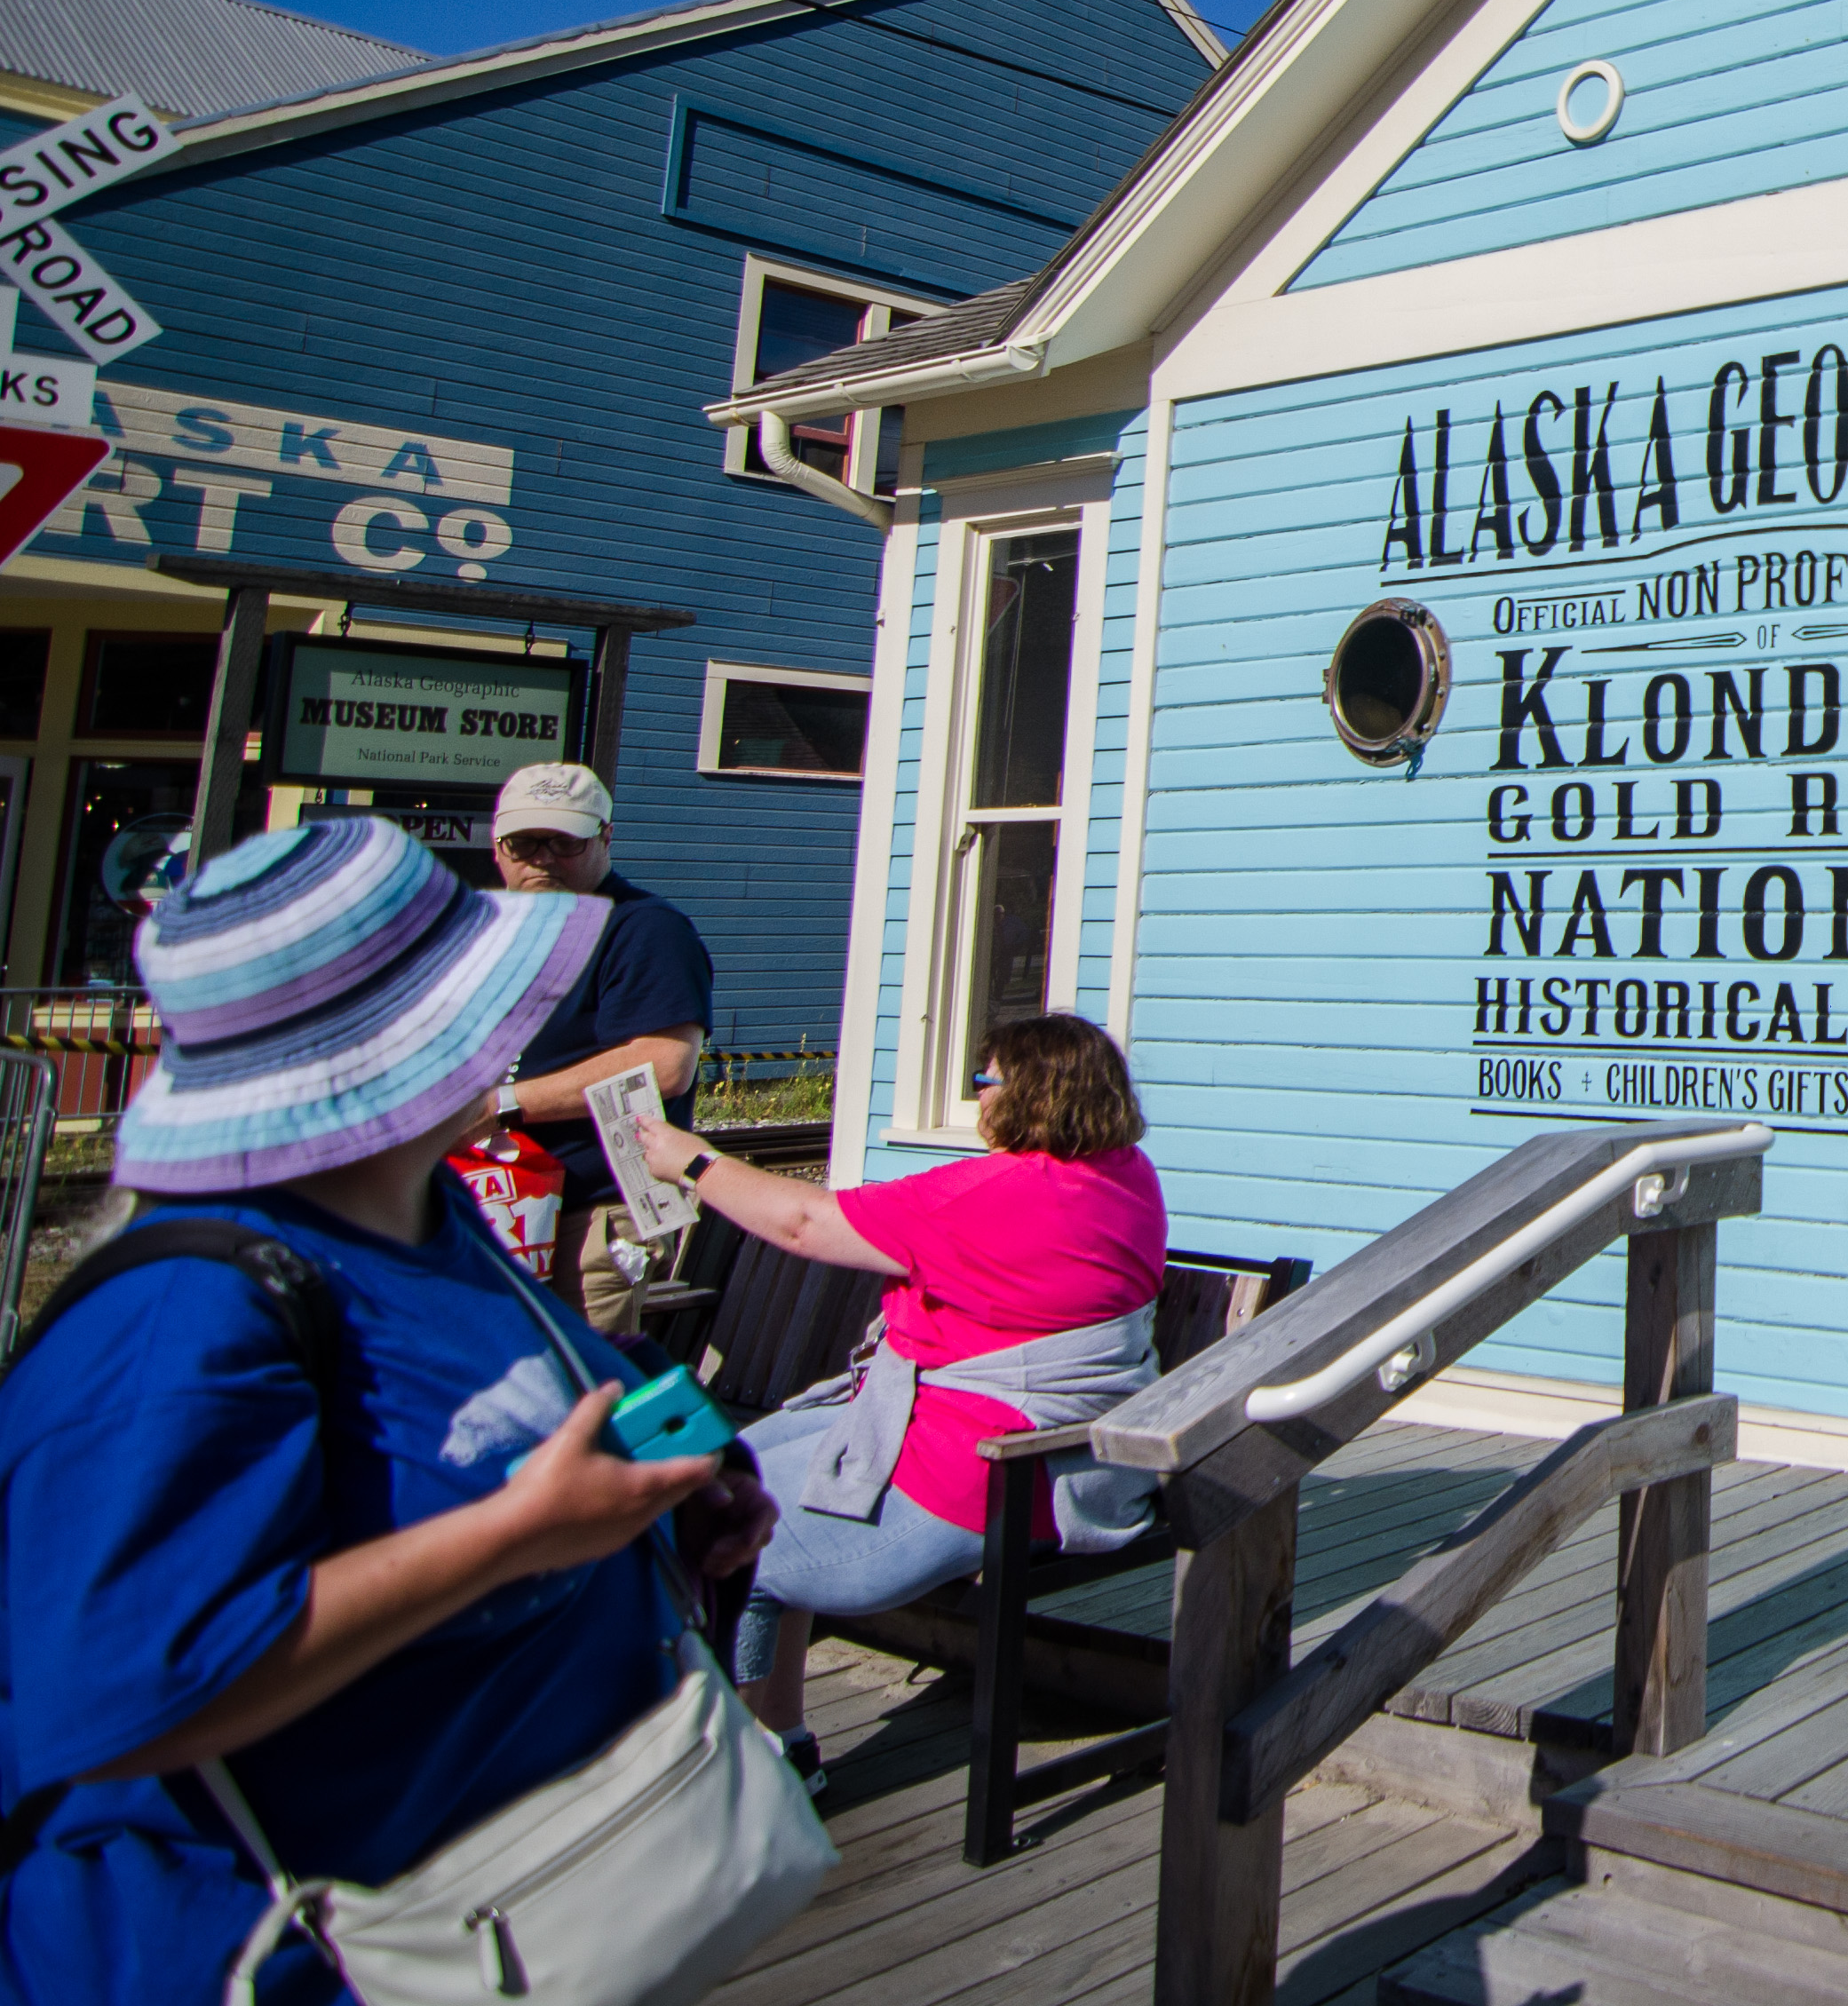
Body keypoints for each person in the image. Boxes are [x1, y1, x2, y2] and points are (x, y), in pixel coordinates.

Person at [0, 816, 778, 2002]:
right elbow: (120, 1696)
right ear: (394, 1051)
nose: (518, 1030)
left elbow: (480, 1415)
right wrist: (518, 1534)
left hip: (517, 1902)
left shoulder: (428, 1214)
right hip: (267, 1953)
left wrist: (673, 1495)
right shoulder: (178, 1314)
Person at [632, 1012, 1166, 1772]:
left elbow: (802, 1222)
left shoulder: (995, 1193)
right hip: (1058, 1458)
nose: (977, 1098)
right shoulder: (1123, 1176)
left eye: (984, 1082)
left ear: (1027, 1095)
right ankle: (783, 1746)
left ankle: (738, 1772)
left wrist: (695, 1163)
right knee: (739, 1458)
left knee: (718, 1536)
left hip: (977, 1469)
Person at [485, 760, 715, 1324]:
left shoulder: (644, 928)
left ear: (605, 837)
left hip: (595, 1210)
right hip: (499, 1200)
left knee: (582, 1386)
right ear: (497, 847)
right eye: (524, 842)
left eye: (563, 841)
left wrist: (499, 1106)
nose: (542, 857)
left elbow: (663, 1066)